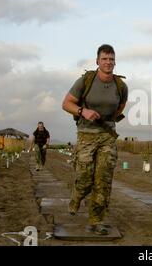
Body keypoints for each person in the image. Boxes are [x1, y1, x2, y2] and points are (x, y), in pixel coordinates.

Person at [62, 44, 128, 235]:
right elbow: (66, 103)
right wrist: (83, 111)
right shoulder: (86, 80)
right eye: (105, 59)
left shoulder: (120, 85)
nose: (108, 62)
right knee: (84, 176)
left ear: (115, 62)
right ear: (97, 61)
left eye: (111, 59)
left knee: (103, 179)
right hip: (86, 135)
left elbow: (121, 106)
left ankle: (96, 220)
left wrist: (109, 119)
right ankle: (76, 197)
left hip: (107, 136)